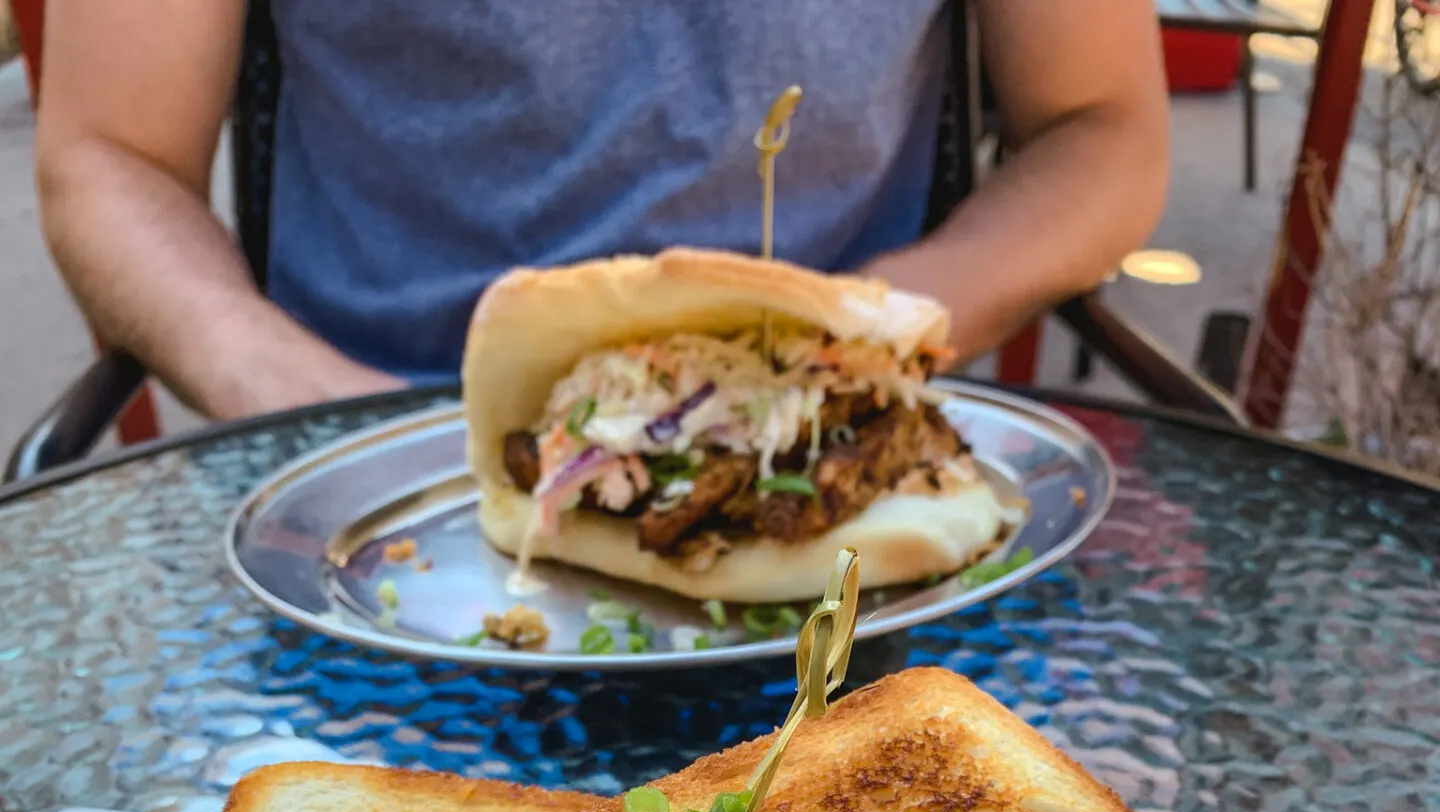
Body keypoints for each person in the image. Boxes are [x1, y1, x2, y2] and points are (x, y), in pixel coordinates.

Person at [34, 0, 1168, 421]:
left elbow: (1102, 128)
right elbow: (110, 155)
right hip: (385, 446)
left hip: (830, 439)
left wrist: (866, 330)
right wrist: (316, 409)